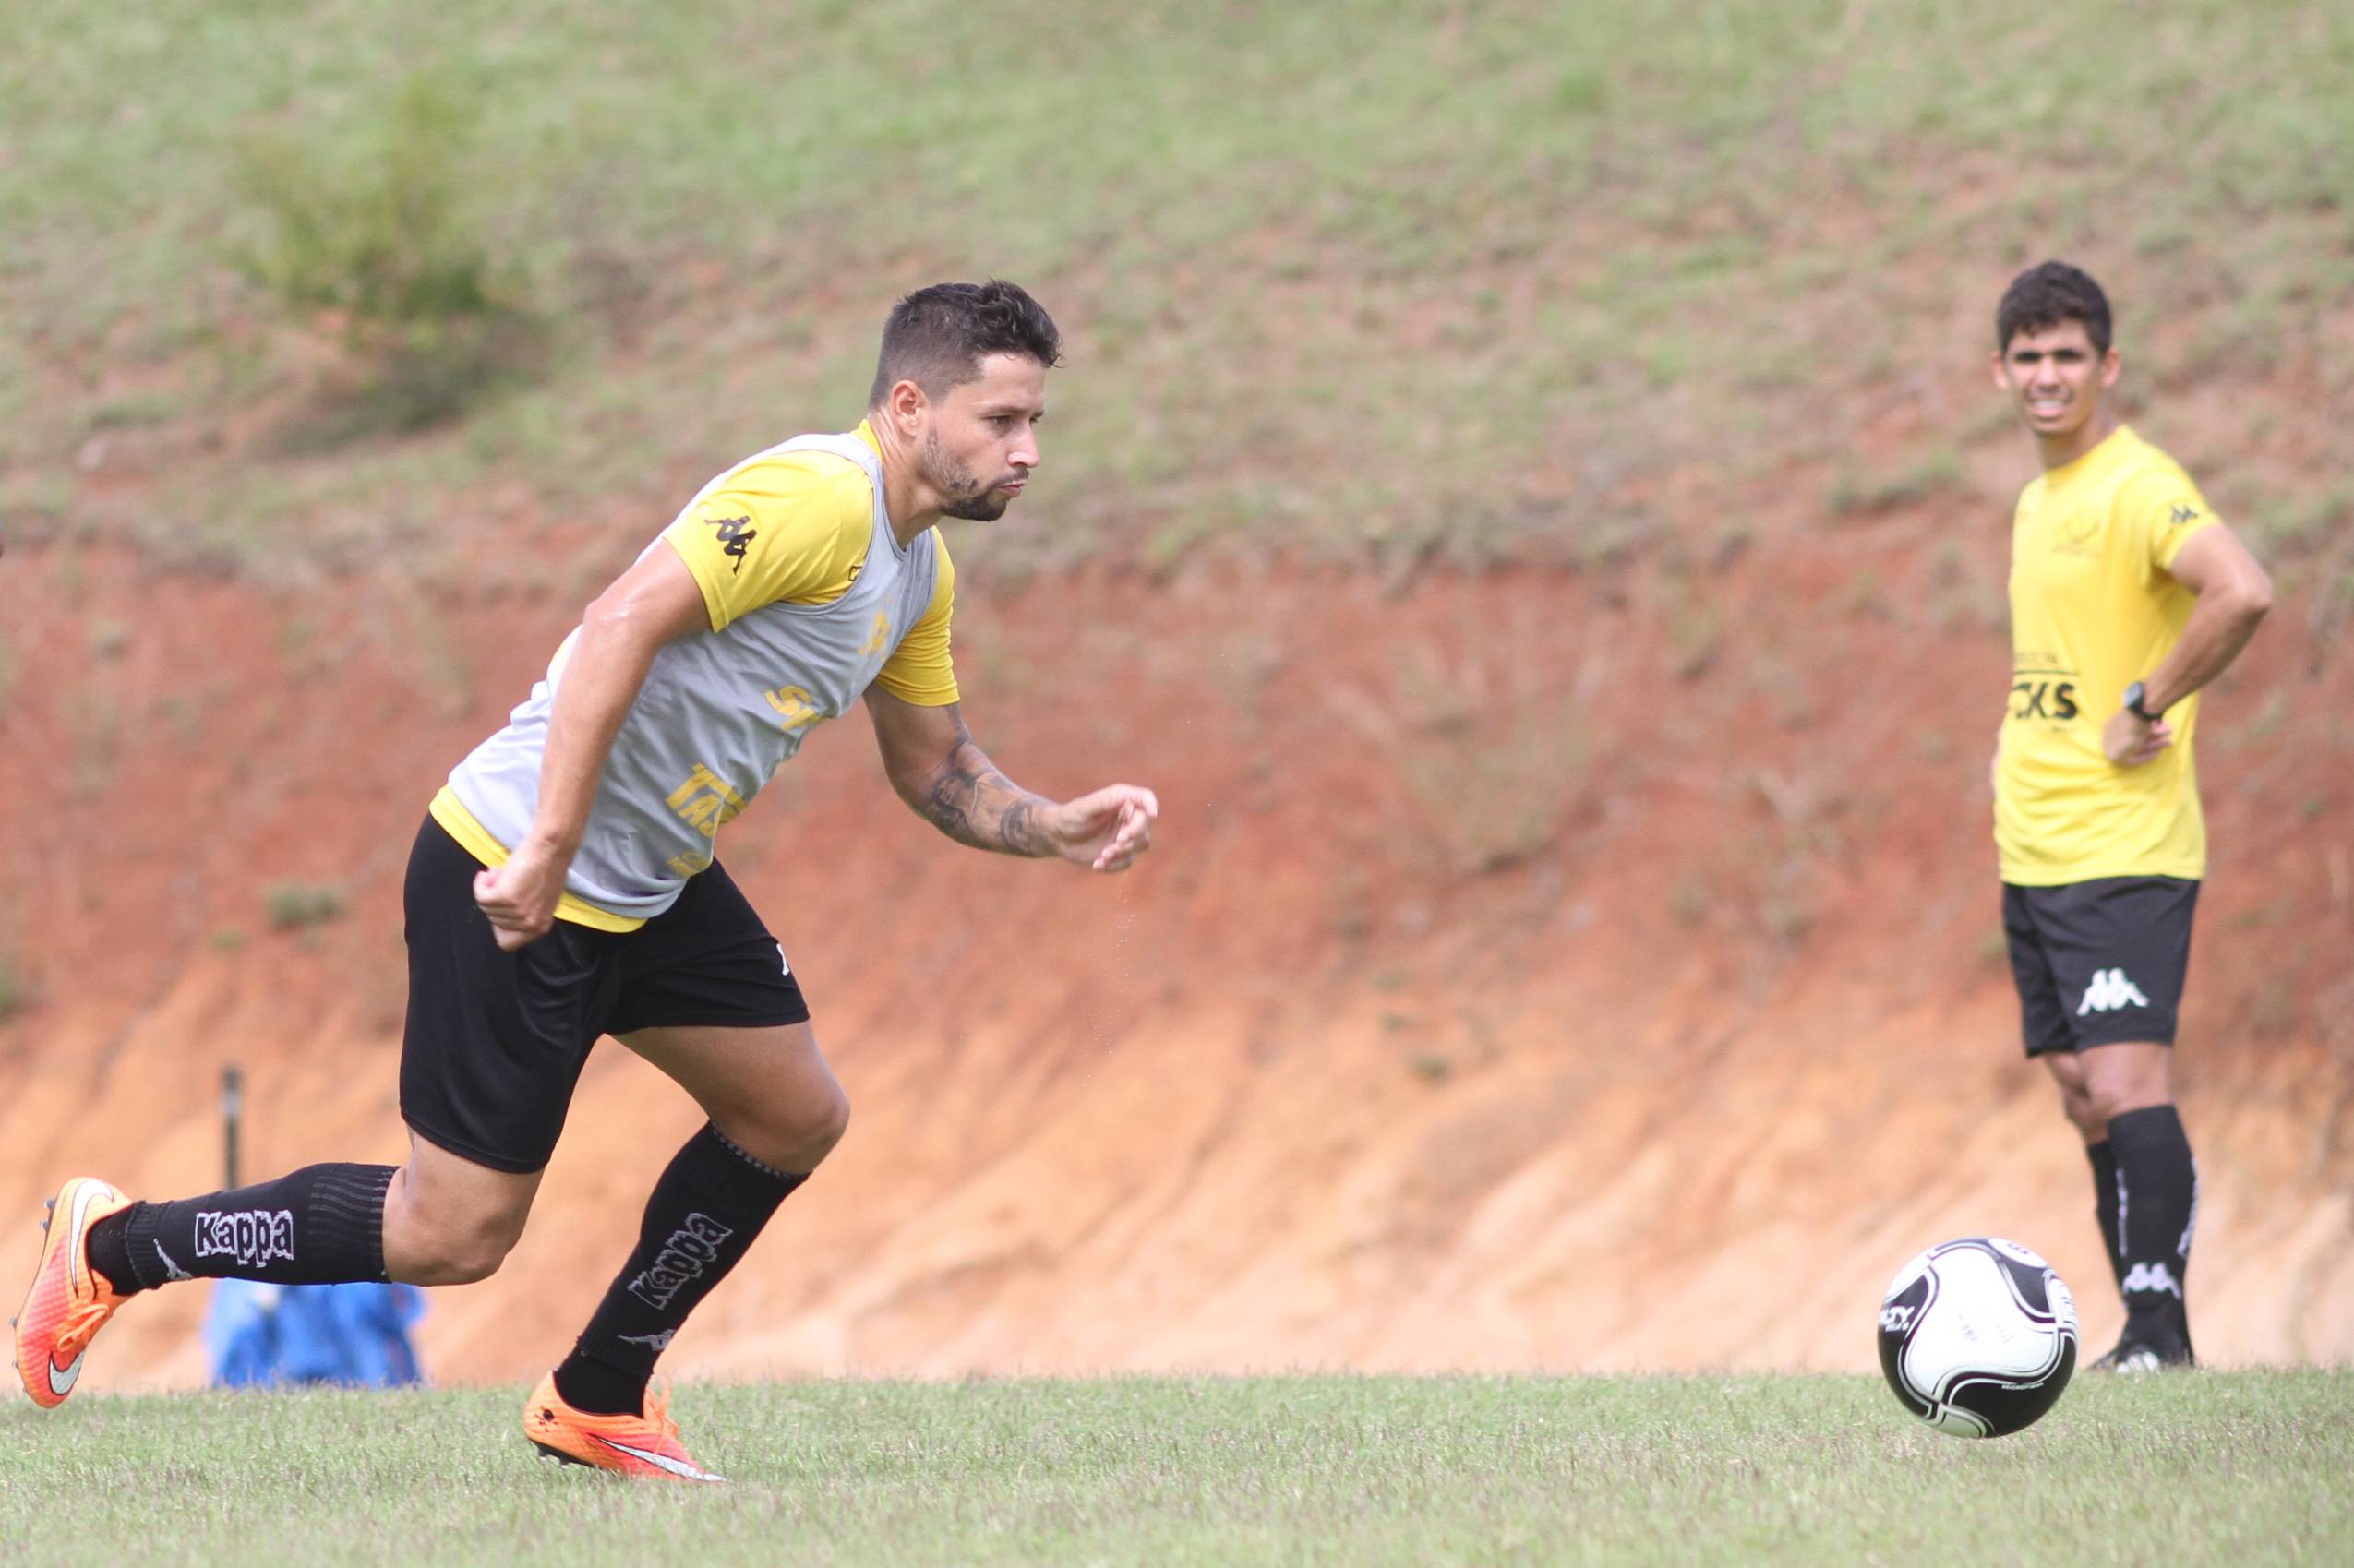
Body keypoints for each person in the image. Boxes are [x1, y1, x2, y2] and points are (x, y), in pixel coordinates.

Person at [14, 280, 1158, 1478]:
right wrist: (549, 845)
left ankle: (598, 1392)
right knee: (451, 1235)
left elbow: (935, 768)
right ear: (912, 406)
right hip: (511, 861)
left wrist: (1052, 825)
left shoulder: (916, 570)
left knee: (791, 1113)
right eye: (1001, 420)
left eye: (1034, 423)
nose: (1027, 451)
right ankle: (114, 1245)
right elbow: (617, 624)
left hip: (652, 883)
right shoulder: (817, 496)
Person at [1988, 261, 2271, 1371]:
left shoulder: (2137, 484)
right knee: (2079, 1090)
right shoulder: (2037, 498)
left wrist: (2147, 702)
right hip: (2034, 842)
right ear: (2001, 371)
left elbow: (2241, 588)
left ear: (2108, 366)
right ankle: (2140, 1335)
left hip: (2125, 844)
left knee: (2124, 1081)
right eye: (2029, 357)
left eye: (2068, 355)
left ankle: (2160, 1335)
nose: (2047, 375)